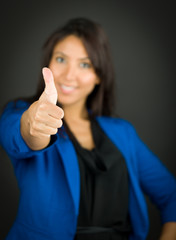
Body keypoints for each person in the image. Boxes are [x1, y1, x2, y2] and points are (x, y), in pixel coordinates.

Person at [0, 18, 176, 240]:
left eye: (85, 64)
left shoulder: (123, 133)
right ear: (49, 63)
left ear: (99, 76)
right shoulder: (19, 112)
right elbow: (21, 134)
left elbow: (171, 195)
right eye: (61, 59)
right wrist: (34, 124)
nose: (69, 75)